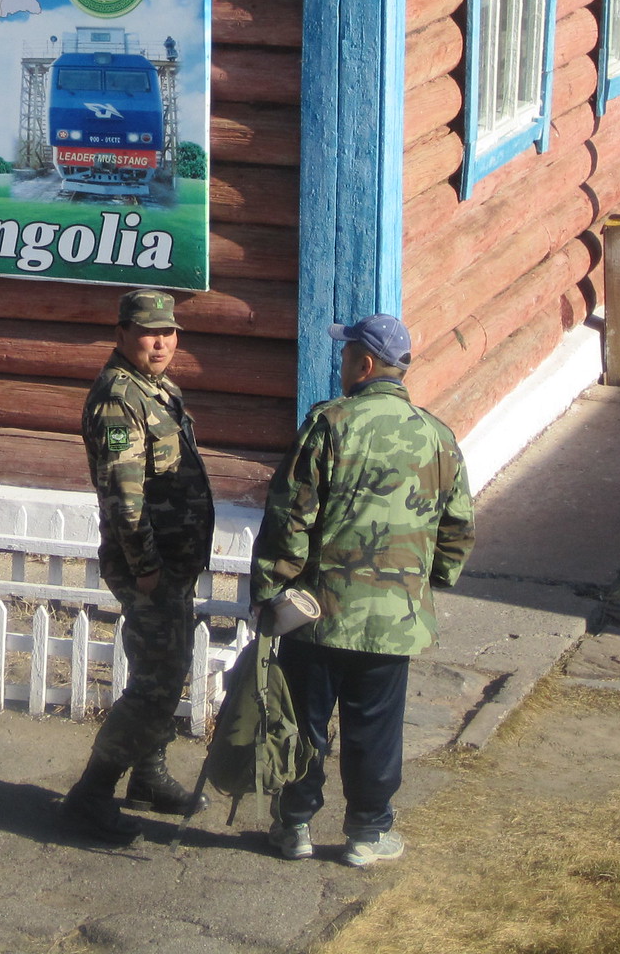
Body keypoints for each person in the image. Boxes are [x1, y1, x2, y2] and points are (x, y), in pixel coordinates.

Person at [249, 314, 473, 868]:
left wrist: (271, 590)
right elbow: (457, 527)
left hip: (317, 614)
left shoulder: (329, 424)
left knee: (304, 722)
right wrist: (429, 582)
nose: (342, 363)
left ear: (365, 364)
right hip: (394, 618)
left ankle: (295, 825)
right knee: (376, 727)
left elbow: (291, 516)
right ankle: (368, 833)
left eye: (346, 354)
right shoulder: (438, 437)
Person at [59, 288, 215, 845]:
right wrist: (146, 569)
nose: (161, 342)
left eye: (168, 332)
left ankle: (148, 776)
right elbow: (124, 498)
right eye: (149, 332)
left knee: (164, 673)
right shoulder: (117, 400)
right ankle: (91, 794)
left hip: (173, 563)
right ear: (121, 334)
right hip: (152, 568)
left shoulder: (159, 389)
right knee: (156, 684)